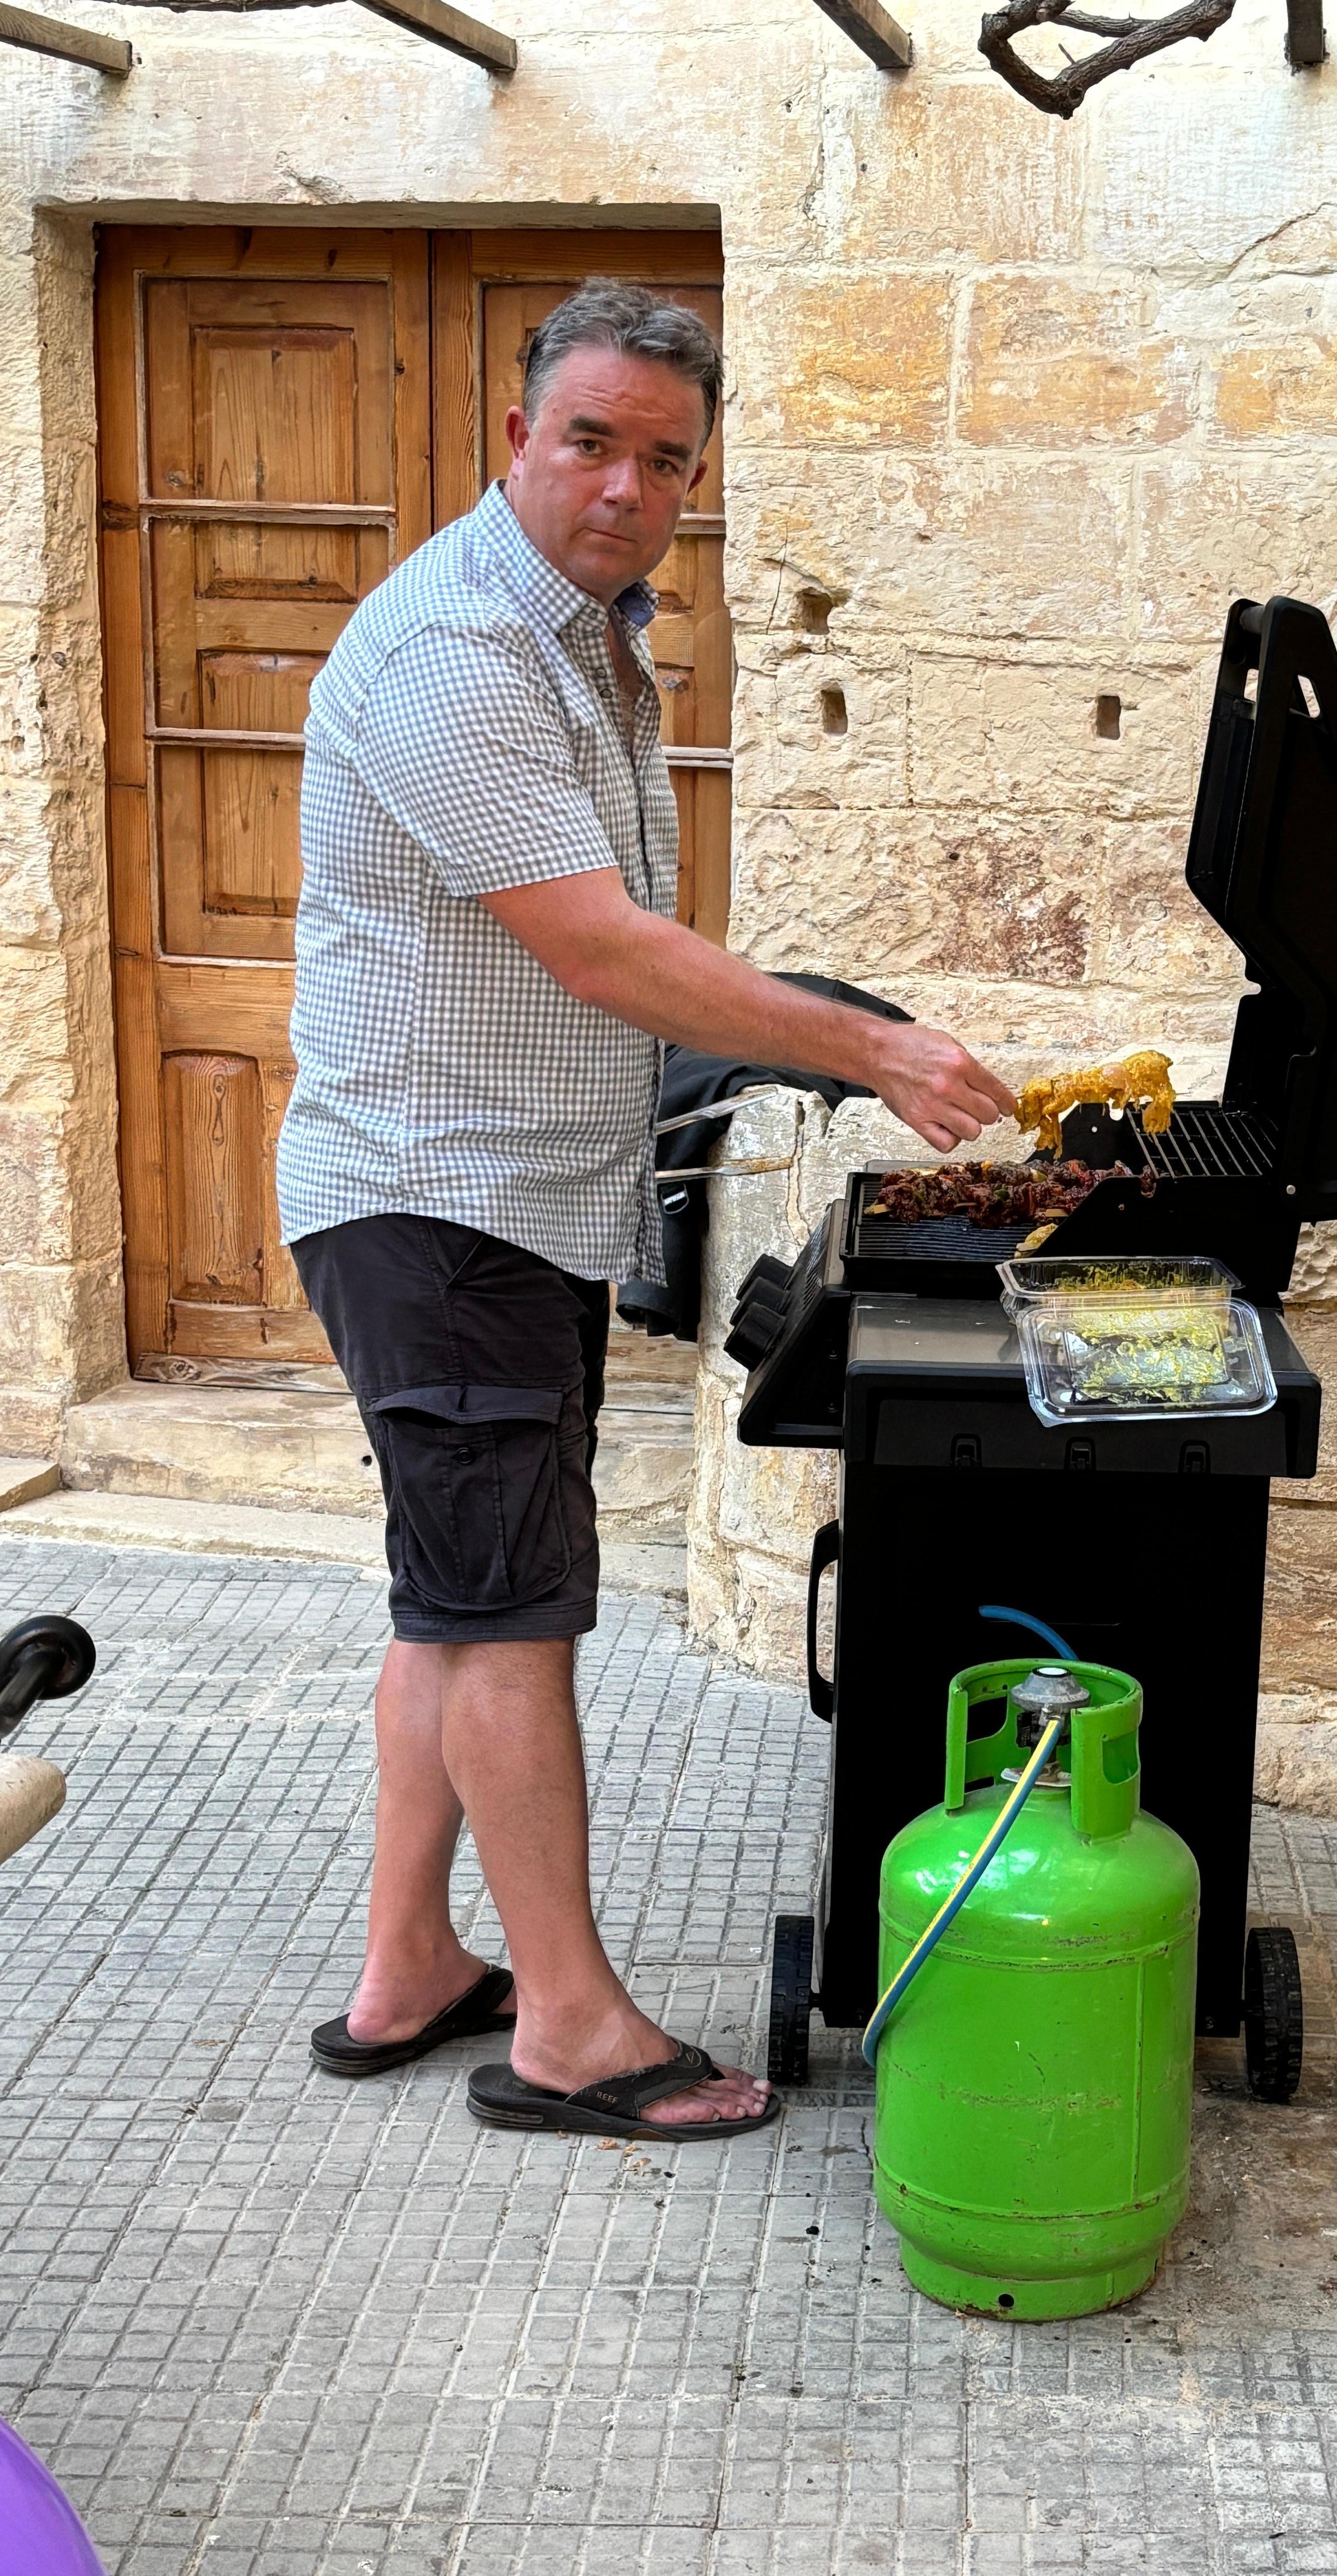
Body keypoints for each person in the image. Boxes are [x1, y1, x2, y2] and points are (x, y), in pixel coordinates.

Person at [278, 279, 1014, 2141]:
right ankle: (570, 2035)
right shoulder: (459, 646)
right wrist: (873, 1050)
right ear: (515, 435)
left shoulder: (587, 633)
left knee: (454, 1603)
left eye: (666, 459)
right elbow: (601, 950)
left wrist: (816, 1031)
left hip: (491, 1198)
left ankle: (407, 1967)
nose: (625, 486)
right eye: (590, 440)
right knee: (510, 1619)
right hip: (445, 1203)